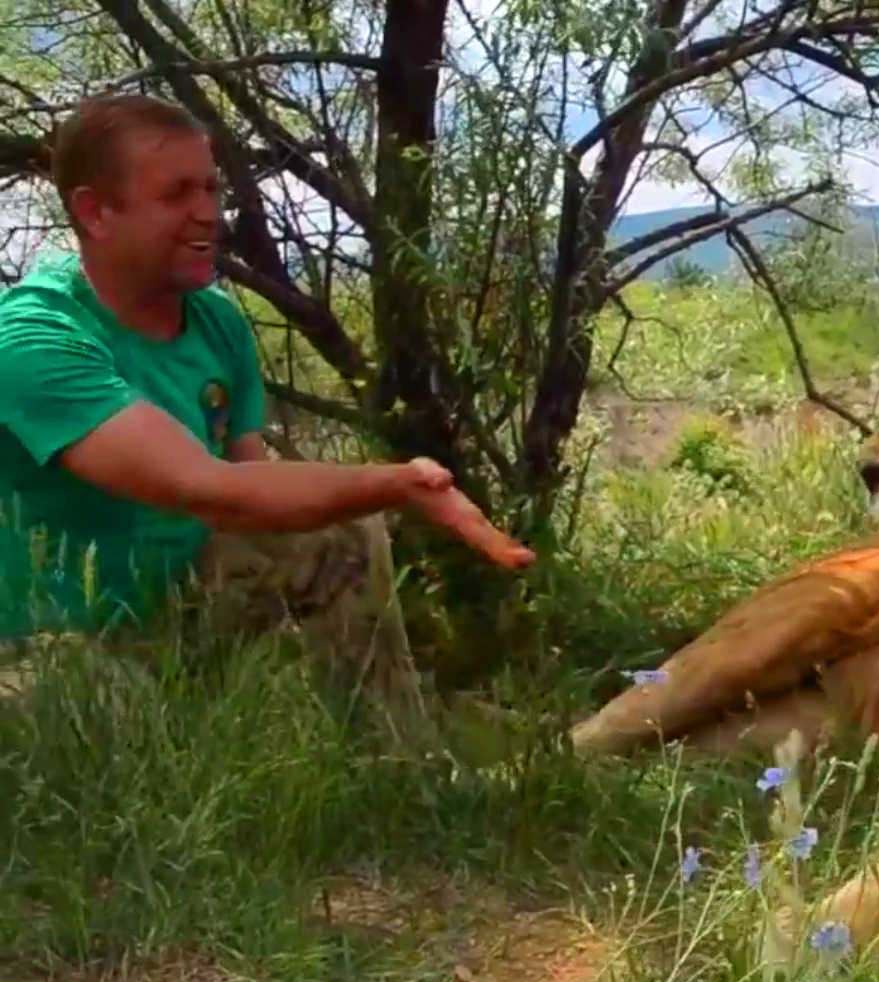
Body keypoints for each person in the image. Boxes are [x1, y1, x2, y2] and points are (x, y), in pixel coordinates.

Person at [0, 92, 533, 745]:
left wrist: (372, 502)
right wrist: (396, 483)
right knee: (96, 720)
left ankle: (402, 761)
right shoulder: (34, 340)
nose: (208, 213)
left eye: (210, 188)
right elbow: (209, 489)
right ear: (95, 211)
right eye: (175, 194)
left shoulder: (215, 320)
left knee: (337, 531)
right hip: (47, 645)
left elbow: (256, 498)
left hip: (173, 614)